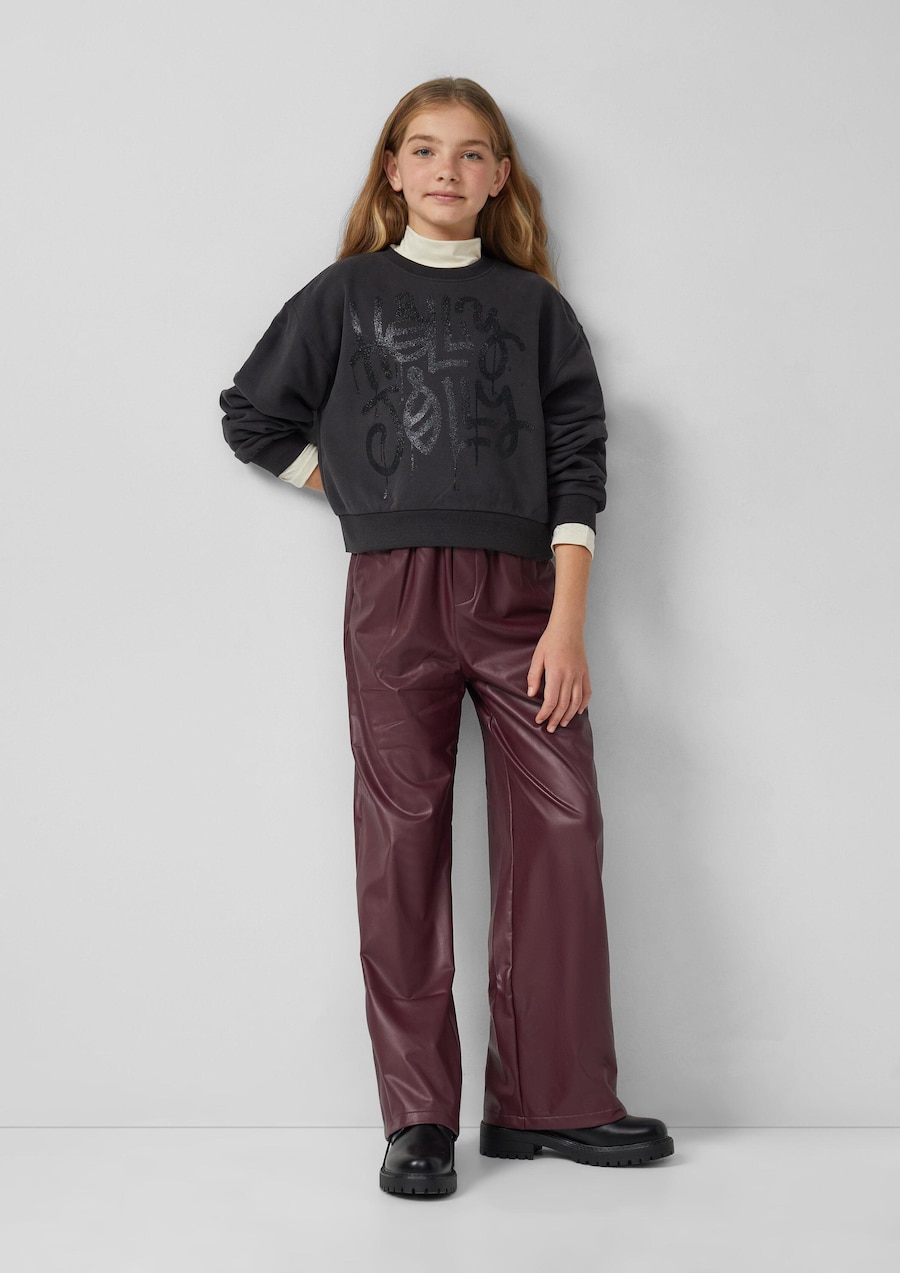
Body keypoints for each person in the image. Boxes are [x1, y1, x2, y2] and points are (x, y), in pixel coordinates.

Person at [219, 76, 673, 1199]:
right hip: (394, 599)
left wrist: (568, 621)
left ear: (500, 176)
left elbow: (578, 462)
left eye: (472, 153)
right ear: (392, 168)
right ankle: (417, 1116)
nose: (446, 171)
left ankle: (551, 1103)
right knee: (402, 842)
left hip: (526, 604)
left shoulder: (535, 310)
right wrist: (358, 493)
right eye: (424, 150)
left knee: (561, 828)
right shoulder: (345, 294)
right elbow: (251, 413)